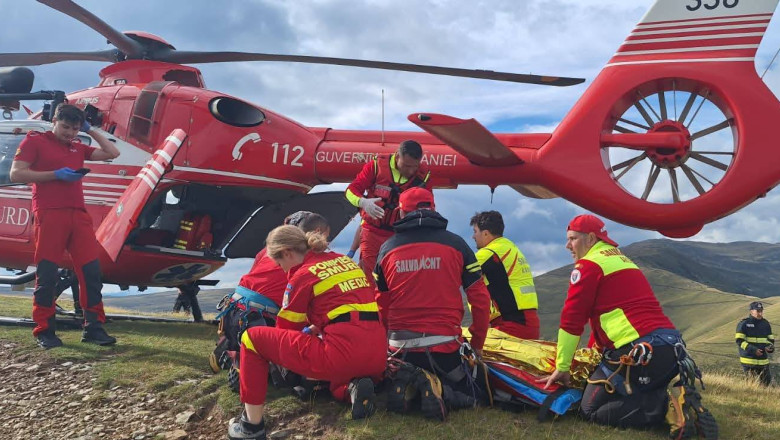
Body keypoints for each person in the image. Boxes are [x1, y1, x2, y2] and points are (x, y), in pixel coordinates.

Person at [539, 215, 716, 437]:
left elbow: (572, 320)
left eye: (572, 239)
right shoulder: (621, 259)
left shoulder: (588, 265)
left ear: (591, 239)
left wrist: (562, 367)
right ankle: (675, 399)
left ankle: (668, 409)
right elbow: (602, 316)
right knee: (616, 391)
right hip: (670, 349)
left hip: (638, 352)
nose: (568, 246)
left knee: (590, 410)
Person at [227, 226, 386, 440]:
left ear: (287, 253)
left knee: (251, 339)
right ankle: (350, 388)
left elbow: (285, 332)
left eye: (280, 263)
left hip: (341, 356)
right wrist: (315, 327)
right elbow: (349, 310)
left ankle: (251, 426)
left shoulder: (303, 275)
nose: (283, 270)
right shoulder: (344, 261)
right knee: (333, 359)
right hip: (378, 355)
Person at [375, 187, 492, 420]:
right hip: (444, 348)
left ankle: (410, 387)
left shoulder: (386, 249)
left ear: (400, 212)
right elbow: (480, 299)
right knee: (470, 390)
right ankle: (444, 390)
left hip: (399, 348)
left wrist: (383, 346)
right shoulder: (457, 244)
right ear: (434, 208)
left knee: (403, 370)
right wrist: (477, 343)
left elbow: (381, 305)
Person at [10, 104, 120, 349]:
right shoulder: (34, 142)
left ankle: (93, 328)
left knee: (91, 273)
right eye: (65, 127)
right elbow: (16, 174)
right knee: (48, 273)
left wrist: (91, 131)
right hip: (50, 213)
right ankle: (44, 330)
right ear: (54, 121)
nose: (70, 133)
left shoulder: (77, 147)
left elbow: (112, 152)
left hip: (78, 215)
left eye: (75, 128)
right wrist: (56, 175)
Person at [345, 140, 430, 286]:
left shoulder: (423, 176)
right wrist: (363, 202)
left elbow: (428, 206)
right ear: (397, 156)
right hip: (371, 232)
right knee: (369, 278)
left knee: (395, 279)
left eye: (414, 167)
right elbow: (351, 190)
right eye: (407, 166)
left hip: (400, 235)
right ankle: (369, 308)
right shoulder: (376, 166)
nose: (410, 171)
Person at [469, 210, 539, 339]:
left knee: (457, 340)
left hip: (511, 324)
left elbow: (454, 272)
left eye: (475, 232)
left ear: (485, 233)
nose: (473, 237)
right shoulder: (510, 248)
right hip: (525, 321)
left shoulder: (489, 253)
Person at [736, 301, 774, 386]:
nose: (760, 313)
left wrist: (770, 347)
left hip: (763, 361)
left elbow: (770, 340)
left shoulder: (765, 324)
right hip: (748, 361)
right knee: (751, 385)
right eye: (758, 311)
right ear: (751, 311)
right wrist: (753, 350)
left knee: (766, 384)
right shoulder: (744, 323)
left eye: (761, 310)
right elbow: (739, 341)